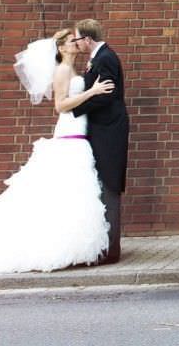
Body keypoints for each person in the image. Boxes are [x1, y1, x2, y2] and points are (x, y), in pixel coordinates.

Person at [0, 28, 114, 273]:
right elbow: (60, 105)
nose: (76, 43)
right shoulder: (63, 70)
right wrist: (92, 91)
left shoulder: (75, 68)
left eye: (75, 39)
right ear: (61, 48)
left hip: (80, 131)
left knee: (73, 191)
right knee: (72, 189)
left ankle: (72, 246)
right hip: (70, 133)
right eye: (70, 41)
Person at [71, 18, 130, 264]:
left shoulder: (105, 58)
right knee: (102, 184)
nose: (77, 44)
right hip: (101, 128)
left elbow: (107, 95)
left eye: (77, 39)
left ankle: (111, 249)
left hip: (109, 130)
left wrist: (74, 108)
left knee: (109, 183)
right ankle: (105, 245)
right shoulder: (99, 57)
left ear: (87, 39)